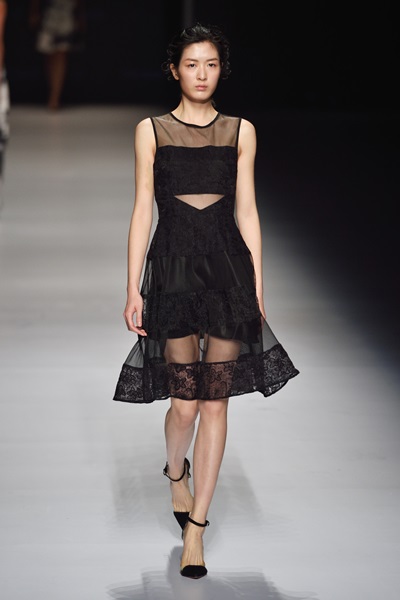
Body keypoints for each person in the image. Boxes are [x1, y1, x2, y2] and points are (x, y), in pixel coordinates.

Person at [113, 23, 300, 579]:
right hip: (172, 271)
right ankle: (176, 472)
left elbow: (247, 210)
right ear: (174, 70)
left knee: (215, 402)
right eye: (192, 64)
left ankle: (196, 527)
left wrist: (258, 287)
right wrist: (132, 286)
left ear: (222, 70)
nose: (201, 74)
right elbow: (142, 209)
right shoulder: (151, 131)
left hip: (227, 272)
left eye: (211, 64)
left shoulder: (241, 131)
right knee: (185, 404)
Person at [29, 0, 85, 110]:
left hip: (66, 13)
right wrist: (34, 11)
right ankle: (52, 91)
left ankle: (55, 96)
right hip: (48, 14)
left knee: (61, 54)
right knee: (49, 54)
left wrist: (80, 16)